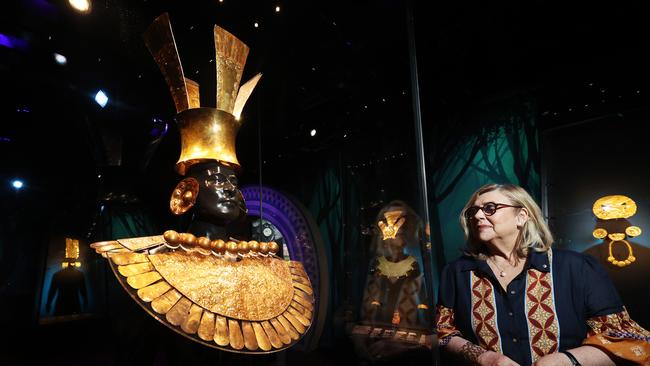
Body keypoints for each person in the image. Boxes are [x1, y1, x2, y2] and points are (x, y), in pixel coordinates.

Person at [435, 183, 650, 366]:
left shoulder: (575, 267)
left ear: (522, 215)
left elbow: (627, 340)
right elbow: (443, 332)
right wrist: (483, 357)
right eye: (473, 211)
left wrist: (566, 359)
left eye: (490, 208)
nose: (478, 215)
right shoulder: (457, 272)